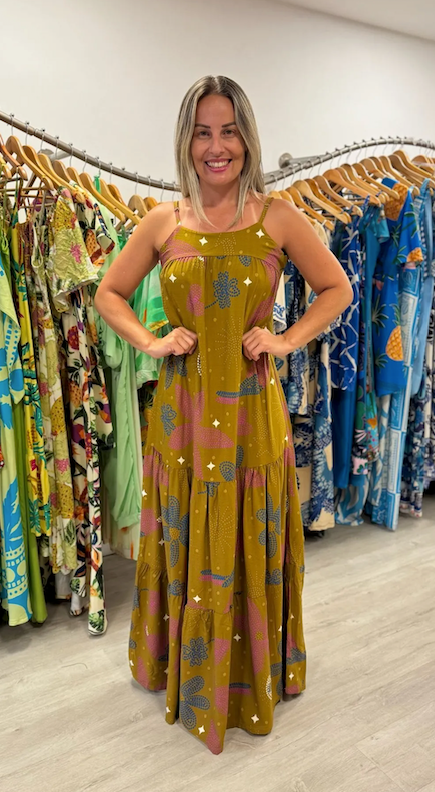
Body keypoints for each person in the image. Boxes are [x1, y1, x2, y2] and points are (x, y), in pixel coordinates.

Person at [95, 75, 352, 754]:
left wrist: (286, 339)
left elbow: (336, 287)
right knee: (186, 533)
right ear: (187, 141)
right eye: (203, 132)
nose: (217, 146)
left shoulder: (278, 217)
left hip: (250, 418)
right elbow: (109, 294)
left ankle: (247, 675)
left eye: (229, 131)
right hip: (181, 418)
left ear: (247, 138)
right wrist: (151, 341)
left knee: (247, 533)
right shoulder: (164, 221)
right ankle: (178, 665)